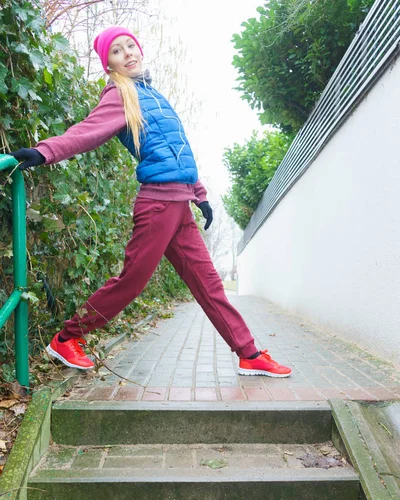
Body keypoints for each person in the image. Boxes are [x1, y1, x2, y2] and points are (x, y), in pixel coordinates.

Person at [10, 26, 291, 378]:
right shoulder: (120, 95)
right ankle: (66, 338)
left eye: (131, 46)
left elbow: (177, 152)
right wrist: (43, 151)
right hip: (157, 205)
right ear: (108, 64)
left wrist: (200, 195)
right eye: (117, 51)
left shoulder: (155, 95)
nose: (128, 53)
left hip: (180, 205)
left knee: (210, 286)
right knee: (131, 282)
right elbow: (86, 132)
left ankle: (249, 353)